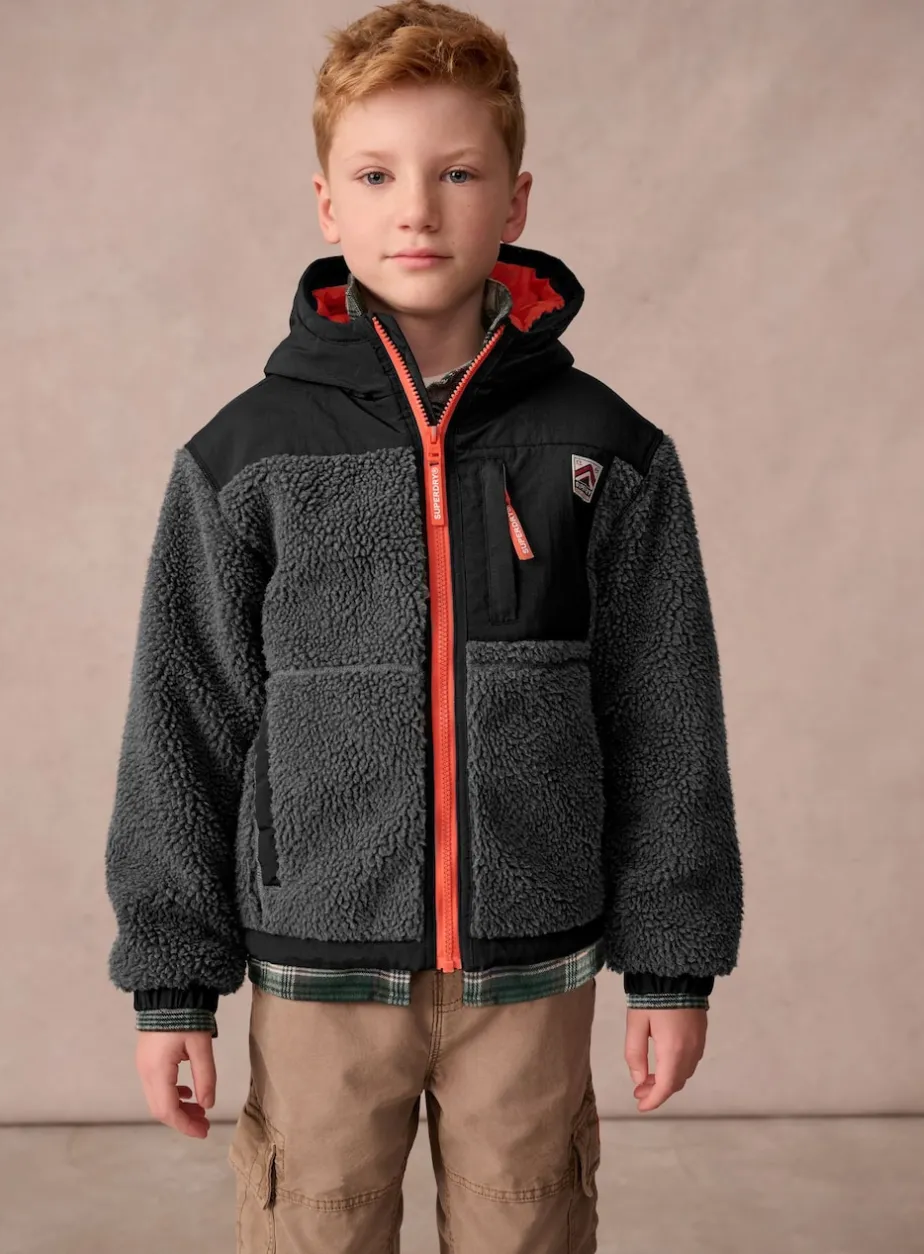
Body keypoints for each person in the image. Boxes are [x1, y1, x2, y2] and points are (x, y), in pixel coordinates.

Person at [104, 2, 744, 1249]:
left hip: (531, 972)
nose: (417, 210)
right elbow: (181, 722)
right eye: (376, 176)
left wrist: (673, 965)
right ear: (325, 204)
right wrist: (170, 984)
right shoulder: (243, 458)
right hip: (316, 971)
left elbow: (666, 713)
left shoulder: (607, 450)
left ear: (513, 200)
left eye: (457, 173)